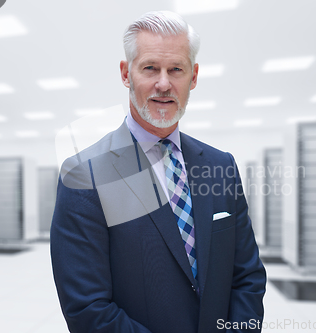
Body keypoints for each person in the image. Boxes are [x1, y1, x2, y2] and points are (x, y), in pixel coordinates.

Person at [50, 11, 266, 333]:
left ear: (192, 77)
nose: (163, 84)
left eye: (175, 69)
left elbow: (247, 277)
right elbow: (88, 310)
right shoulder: (84, 177)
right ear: (126, 74)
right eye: (150, 68)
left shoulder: (221, 167)